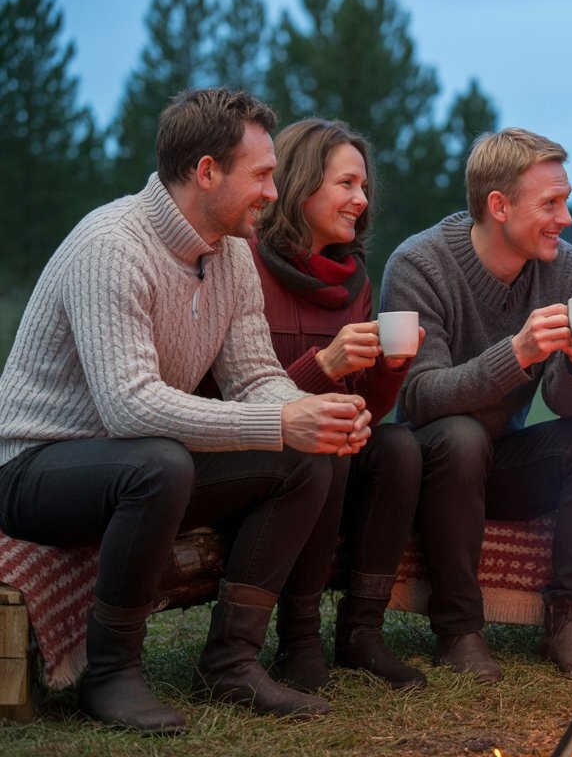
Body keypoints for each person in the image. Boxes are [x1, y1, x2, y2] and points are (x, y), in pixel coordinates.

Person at [0, 89, 373, 732]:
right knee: (160, 463)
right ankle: (111, 674)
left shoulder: (231, 253)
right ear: (206, 171)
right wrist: (278, 420)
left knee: (305, 455)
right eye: (261, 175)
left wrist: (312, 414)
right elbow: (128, 406)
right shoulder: (111, 245)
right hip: (35, 466)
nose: (272, 193)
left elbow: (254, 377)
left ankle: (231, 660)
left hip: (137, 460)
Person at [380, 127, 572, 682]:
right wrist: (516, 353)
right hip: (430, 464)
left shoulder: (563, 267)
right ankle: (459, 630)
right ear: (499, 206)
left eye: (565, 201)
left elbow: (567, 404)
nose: (566, 218)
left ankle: (568, 620)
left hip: (501, 459)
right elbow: (419, 396)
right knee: (461, 436)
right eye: (551, 204)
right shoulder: (419, 263)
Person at [229, 118, 425, 691]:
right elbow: (234, 395)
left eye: (363, 187)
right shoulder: (244, 262)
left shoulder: (353, 280)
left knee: (398, 446)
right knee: (330, 444)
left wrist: (390, 368)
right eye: (346, 184)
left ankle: (362, 632)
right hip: (253, 447)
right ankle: (299, 637)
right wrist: (325, 366)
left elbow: (366, 407)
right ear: (300, 184)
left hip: (324, 446)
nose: (361, 201)